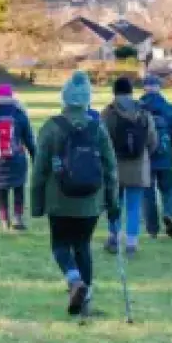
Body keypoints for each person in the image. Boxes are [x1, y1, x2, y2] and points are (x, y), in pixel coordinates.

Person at [31, 71, 119, 316]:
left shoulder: (51, 127)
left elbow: (39, 170)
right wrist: (113, 204)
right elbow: (111, 169)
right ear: (88, 98)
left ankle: (73, 280)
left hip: (59, 200)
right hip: (91, 201)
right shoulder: (98, 128)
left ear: (64, 97)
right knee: (83, 246)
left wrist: (36, 204)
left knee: (60, 245)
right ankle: (86, 301)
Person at [101, 77, 157, 255]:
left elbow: (101, 140)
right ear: (131, 92)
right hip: (138, 166)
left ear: (114, 92)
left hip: (114, 165)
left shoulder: (108, 113)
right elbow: (152, 140)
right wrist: (144, 155)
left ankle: (114, 238)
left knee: (114, 204)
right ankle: (131, 243)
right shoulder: (143, 112)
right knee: (134, 206)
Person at [0, 84, 36, 230]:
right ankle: (17, 217)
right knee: (18, 187)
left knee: (0, 189)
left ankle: (4, 220)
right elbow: (29, 138)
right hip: (17, 158)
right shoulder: (19, 113)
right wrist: (34, 155)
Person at [139, 75, 172, 239]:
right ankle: (168, 214)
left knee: (147, 193)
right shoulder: (170, 108)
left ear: (144, 88)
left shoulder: (138, 108)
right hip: (165, 155)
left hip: (144, 158)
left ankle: (152, 229)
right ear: (159, 87)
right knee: (167, 190)